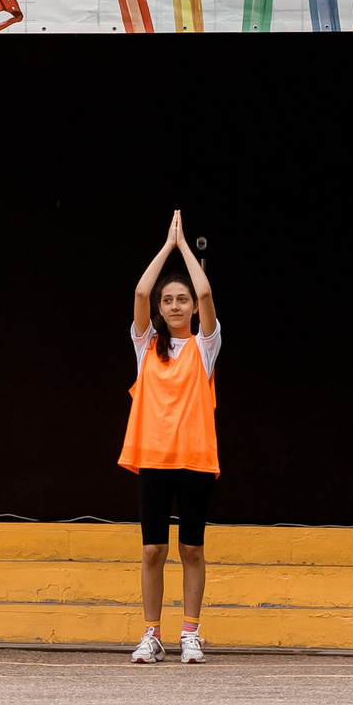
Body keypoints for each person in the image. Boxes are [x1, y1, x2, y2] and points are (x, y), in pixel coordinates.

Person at [121, 211, 223, 666]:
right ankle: (152, 633)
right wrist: (167, 246)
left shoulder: (204, 345)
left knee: (191, 548)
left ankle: (190, 633)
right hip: (155, 458)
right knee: (153, 549)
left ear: (193, 308)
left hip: (195, 459)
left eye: (183, 300)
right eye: (169, 300)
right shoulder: (146, 346)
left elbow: (207, 291)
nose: (176, 305)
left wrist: (185, 248)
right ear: (160, 309)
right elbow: (140, 292)